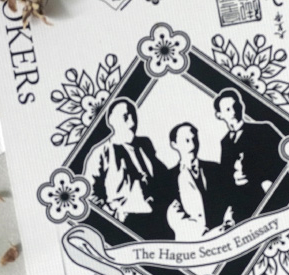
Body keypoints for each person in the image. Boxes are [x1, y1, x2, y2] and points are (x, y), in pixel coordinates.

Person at [83, 98, 162, 237]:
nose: (132, 123)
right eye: (125, 117)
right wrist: (110, 213)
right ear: (112, 122)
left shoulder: (145, 144)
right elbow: (87, 192)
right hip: (126, 221)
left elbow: (160, 175)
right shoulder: (101, 152)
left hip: (155, 218)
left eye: (133, 116)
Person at [213, 89, 284, 222]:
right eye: (227, 109)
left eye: (236, 106)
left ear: (242, 107)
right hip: (242, 205)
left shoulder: (263, 130)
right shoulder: (225, 142)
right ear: (219, 115)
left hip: (265, 198)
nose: (233, 112)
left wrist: (267, 182)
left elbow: (286, 158)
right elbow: (227, 177)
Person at [165, 122, 233, 242]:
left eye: (194, 139)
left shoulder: (215, 169)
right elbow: (173, 215)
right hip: (190, 243)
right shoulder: (168, 178)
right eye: (186, 140)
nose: (192, 145)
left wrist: (228, 224)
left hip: (223, 238)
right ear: (174, 144)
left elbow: (229, 199)